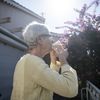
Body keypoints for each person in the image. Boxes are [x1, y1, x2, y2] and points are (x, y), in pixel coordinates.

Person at [11, 22, 78, 100]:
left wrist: (53, 62)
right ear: (40, 39)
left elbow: (49, 82)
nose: (52, 40)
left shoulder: (26, 60)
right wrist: (63, 60)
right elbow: (71, 89)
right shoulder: (33, 62)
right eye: (50, 37)